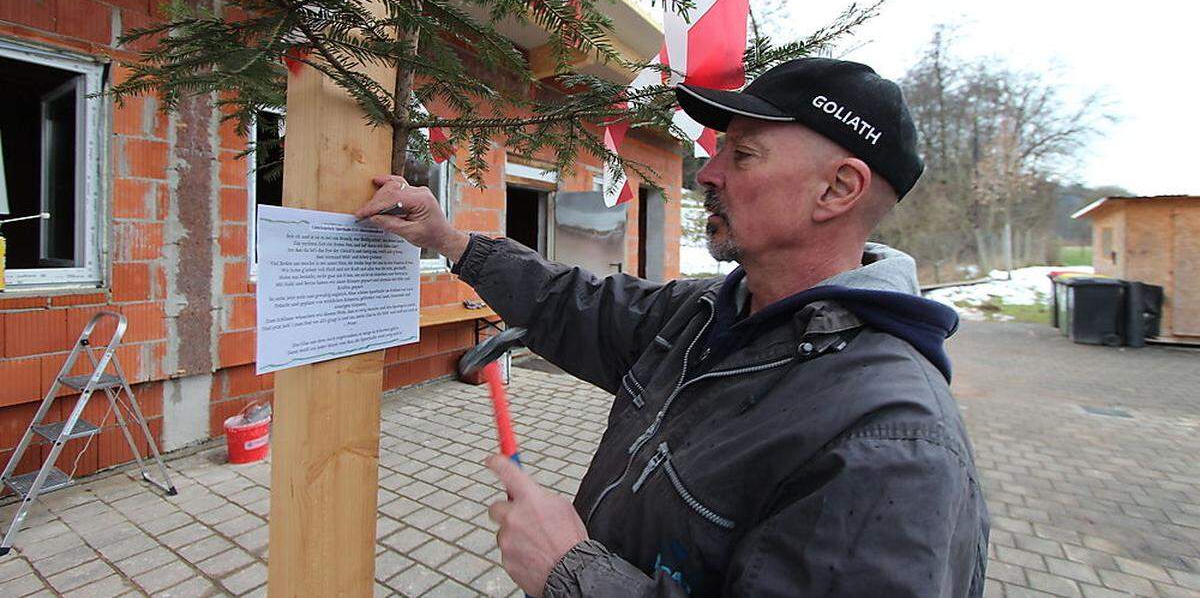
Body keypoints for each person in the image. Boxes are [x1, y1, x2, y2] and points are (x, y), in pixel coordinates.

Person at [356, 58, 989, 597]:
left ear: (838, 189)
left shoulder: (894, 443)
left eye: (741, 155)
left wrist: (571, 573)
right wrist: (447, 239)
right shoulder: (707, 312)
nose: (706, 174)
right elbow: (566, 302)